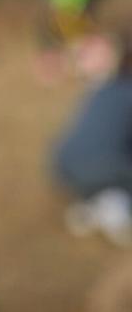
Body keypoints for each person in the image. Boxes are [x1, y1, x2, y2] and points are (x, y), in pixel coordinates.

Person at [53, 30, 132, 247]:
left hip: (62, 165)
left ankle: (91, 203)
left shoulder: (100, 88)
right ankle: (115, 206)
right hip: (103, 167)